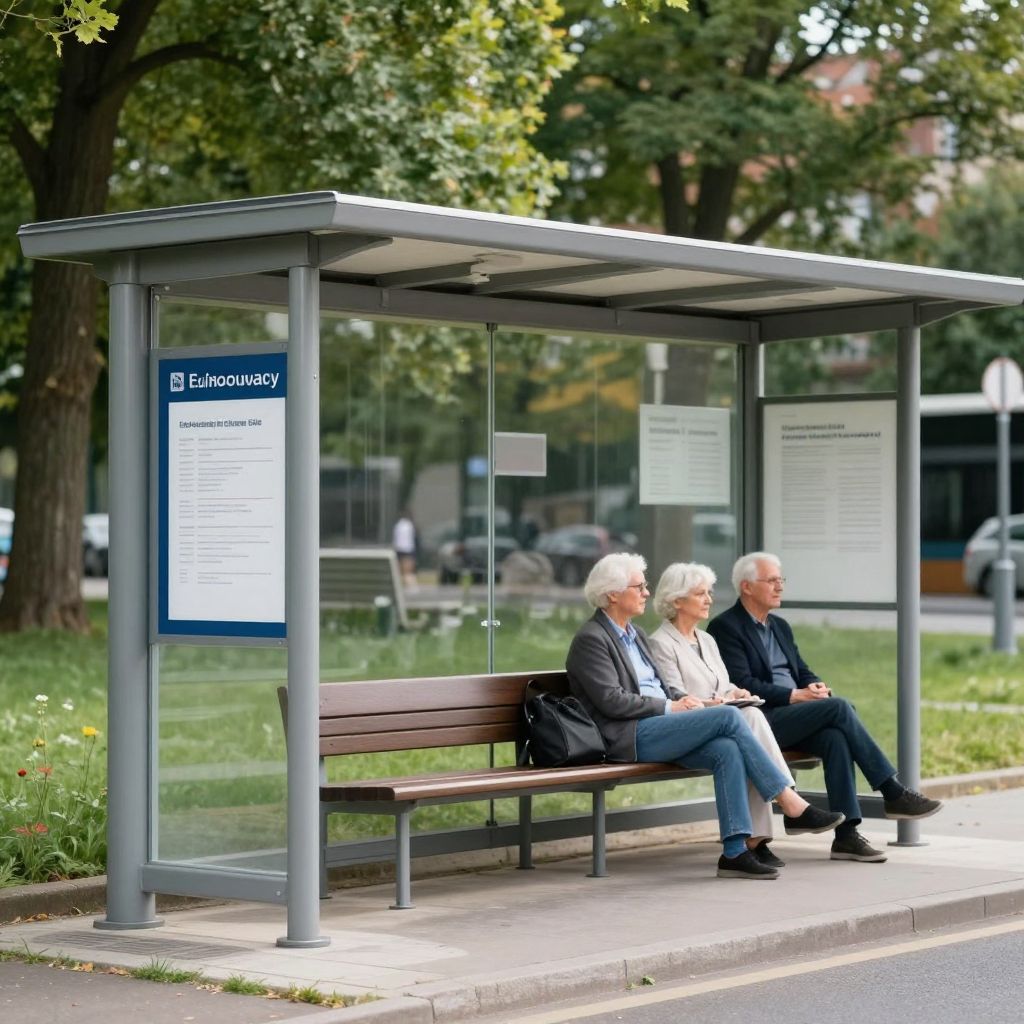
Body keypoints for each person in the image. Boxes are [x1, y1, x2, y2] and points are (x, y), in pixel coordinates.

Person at [565, 552, 844, 880]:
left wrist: (690, 701)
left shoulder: (635, 635)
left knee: (726, 749)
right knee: (730, 718)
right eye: (639, 587)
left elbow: (663, 688)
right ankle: (788, 801)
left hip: (661, 724)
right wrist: (673, 707)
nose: (646, 593)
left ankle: (735, 852)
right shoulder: (591, 639)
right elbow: (611, 701)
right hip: (628, 735)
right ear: (612, 594)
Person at [707, 551, 943, 864]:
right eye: (772, 581)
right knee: (840, 709)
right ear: (747, 587)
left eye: (781, 580)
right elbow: (743, 683)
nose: (780, 587)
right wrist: (795, 696)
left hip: (793, 715)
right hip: (759, 721)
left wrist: (816, 687)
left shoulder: (779, 626)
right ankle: (891, 791)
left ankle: (846, 836)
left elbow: (802, 670)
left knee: (836, 736)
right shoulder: (726, 628)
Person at [647, 561, 793, 869]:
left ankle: (755, 837)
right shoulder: (660, 643)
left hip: (721, 722)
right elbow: (675, 695)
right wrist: (719, 703)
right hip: (686, 727)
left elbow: (723, 685)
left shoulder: (708, 640)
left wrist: (735, 694)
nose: (709, 600)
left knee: (748, 718)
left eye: (709, 593)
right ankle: (785, 801)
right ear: (676, 601)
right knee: (749, 720)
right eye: (700, 594)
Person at [392, 509, 417, 587]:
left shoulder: (398, 525)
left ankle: (404, 585)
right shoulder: (409, 525)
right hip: (407, 549)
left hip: (399, 549)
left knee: (401, 571)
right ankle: (411, 586)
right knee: (408, 572)